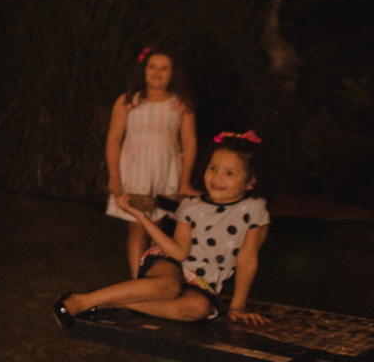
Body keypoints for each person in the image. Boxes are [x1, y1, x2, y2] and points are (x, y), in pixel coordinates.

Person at [55, 133, 270, 326]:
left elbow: (247, 259)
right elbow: (178, 252)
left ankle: (111, 301)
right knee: (169, 286)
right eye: (213, 168)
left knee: (200, 309)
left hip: (202, 284)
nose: (216, 177)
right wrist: (141, 217)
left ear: (250, 182)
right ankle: (81, 300)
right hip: (170, 263)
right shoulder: (191, 207)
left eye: (229, 173)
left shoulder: (255, 210)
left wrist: (237, 307)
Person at [106, 47, 199, 277]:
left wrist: (185, 181)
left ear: (172, 74)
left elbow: (189, 142)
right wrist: (114, 177)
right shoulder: (129, 101)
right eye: (152, 67)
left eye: (164, 68)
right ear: (143, 70)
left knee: (157, 226)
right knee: (137, 226)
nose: (157, 72)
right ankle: (138, 278)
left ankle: (152, 277)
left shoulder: (180, 105)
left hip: (164, 173)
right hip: (135, 173)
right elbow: (114, 139)